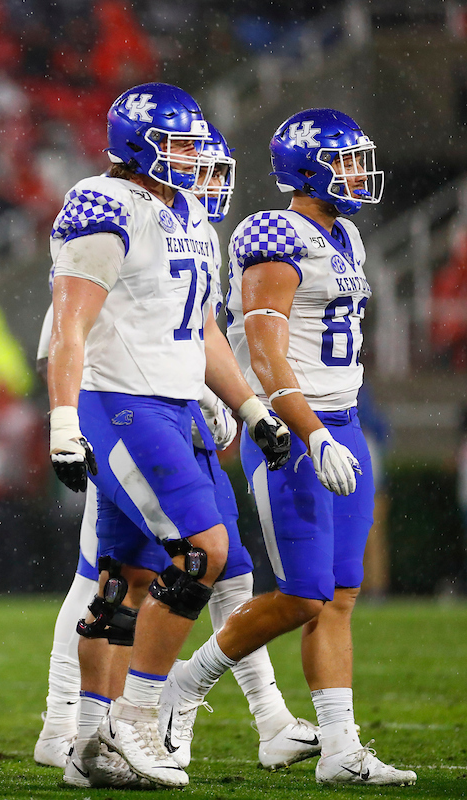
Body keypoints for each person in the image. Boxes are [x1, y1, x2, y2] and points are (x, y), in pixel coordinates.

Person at [32, 125, 320, 776]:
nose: (200, 169)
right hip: (118, 403)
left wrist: (243, 404)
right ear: (140, 146)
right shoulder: (103, 205)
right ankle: (110, 721)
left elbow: (200, 329)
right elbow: (70, 326)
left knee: (125, 579)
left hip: (174, 405)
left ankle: (86, 743)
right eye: (184, 149)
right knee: (167, 563)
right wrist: (64, 419)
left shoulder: (185, 217)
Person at [160, 108, 417, 786]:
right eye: (346, 162)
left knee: (339, 598)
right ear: (308, 169)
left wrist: (337, 428)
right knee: (303, 595)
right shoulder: (276, 233)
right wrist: (310, 432)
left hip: (344, 422)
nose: (359, 174)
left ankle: (339, 751)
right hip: (295, 430)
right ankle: (183, 685)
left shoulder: (348, 236)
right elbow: (267, 353)